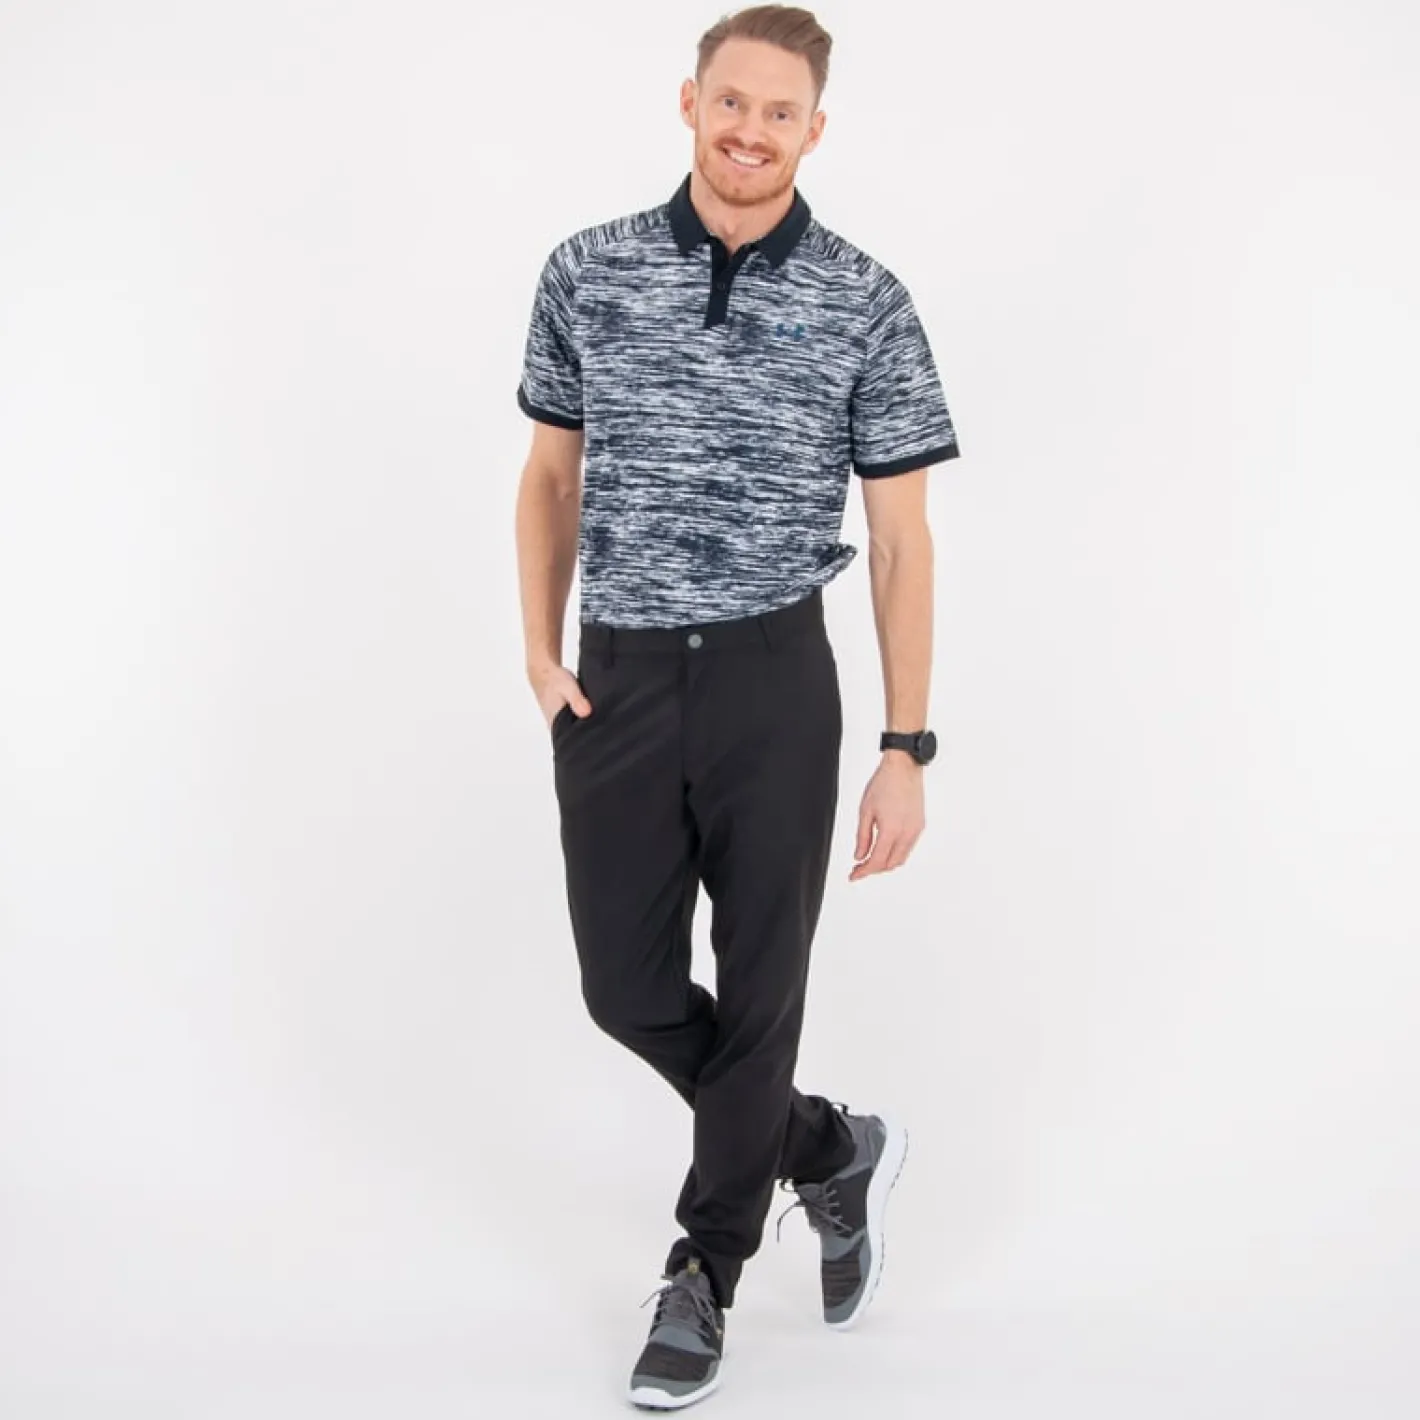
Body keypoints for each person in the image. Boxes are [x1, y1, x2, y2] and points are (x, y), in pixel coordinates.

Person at [513, 4, 960, 1408]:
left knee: (763, 993)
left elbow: (900, 542)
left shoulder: (866, 299)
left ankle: (702, 1271)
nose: (750, 130)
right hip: (619, 678)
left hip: (777, 675)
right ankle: (827, 1147)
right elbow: (549, 477)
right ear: (689, 102)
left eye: (779, 113)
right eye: (731, 102)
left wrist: (905, 745)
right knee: (625, 988)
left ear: (814, 131)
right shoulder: (587, 271)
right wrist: (539, 653)